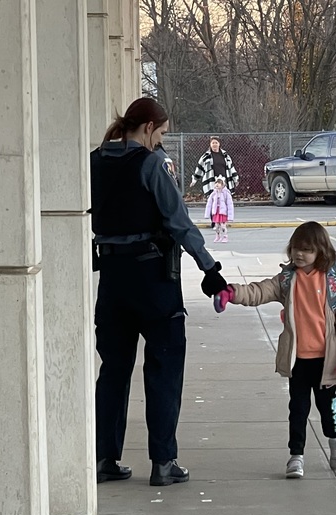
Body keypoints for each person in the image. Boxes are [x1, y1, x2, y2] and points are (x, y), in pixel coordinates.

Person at [90, 97, 228, 487]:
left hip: (113, 281)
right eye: (161, 133)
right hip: (153, 281)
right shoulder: (151, 164)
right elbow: (179, 221)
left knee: (113, 371)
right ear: (148, 127)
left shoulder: (95, 161)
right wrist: (210, 270)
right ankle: (163, 463)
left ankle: (104, 457)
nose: (160, 141)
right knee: (164, 370)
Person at [212, 221, 336, 479]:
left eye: (306, 250)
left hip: (326, 361)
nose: (299, 254)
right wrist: (232, 293)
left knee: (327, 410)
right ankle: (296, 456)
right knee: (298, 409)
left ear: (321, 251)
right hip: (298, 360)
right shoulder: (288, 279)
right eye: (295, 249)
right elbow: (260, 291)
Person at [204, 176, 235, 243]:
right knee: (216, 226)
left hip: (223, 212)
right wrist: (207, 214)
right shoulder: (213, 194)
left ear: (223, 184)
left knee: (223, 226)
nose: (217, 185)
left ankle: (225, 237)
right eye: (216, 183)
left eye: (219, 183)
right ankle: (217, 236)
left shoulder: (226, 193)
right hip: (216, 212)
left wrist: (230, 216)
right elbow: (209, 204)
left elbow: (229, 205)